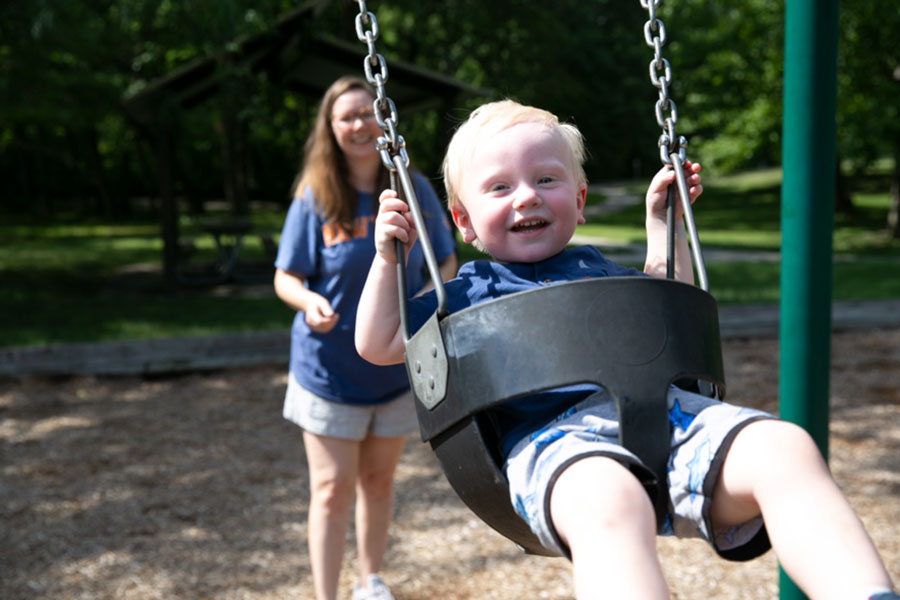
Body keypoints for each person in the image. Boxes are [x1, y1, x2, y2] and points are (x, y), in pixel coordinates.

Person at [354, 99, 898, 600]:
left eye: (547, 179)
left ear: (580, 199)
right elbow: (378, 344)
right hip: (557, 447)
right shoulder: (466, 293)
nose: (527, 196)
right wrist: (389, 262)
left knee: (785, 447)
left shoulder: (598, 269)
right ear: (463, 221)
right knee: (611, 498)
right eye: (499, 188)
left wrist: (664, 225)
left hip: (667, 418)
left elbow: (670, 310)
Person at [274, 75, 457, 600]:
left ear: (384, 122)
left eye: (367, 114)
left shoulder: (411, 188)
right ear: (330, 129)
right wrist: (308, 301)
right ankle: (327, 593)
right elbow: (285, 276)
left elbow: (443, 258)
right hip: (327, 369)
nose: (359, 125)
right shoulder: (316, 194)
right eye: (346, 116)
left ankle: (369, 582)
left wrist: (425, 301)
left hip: (393, 365)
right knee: (330, 489)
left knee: (378, 483)